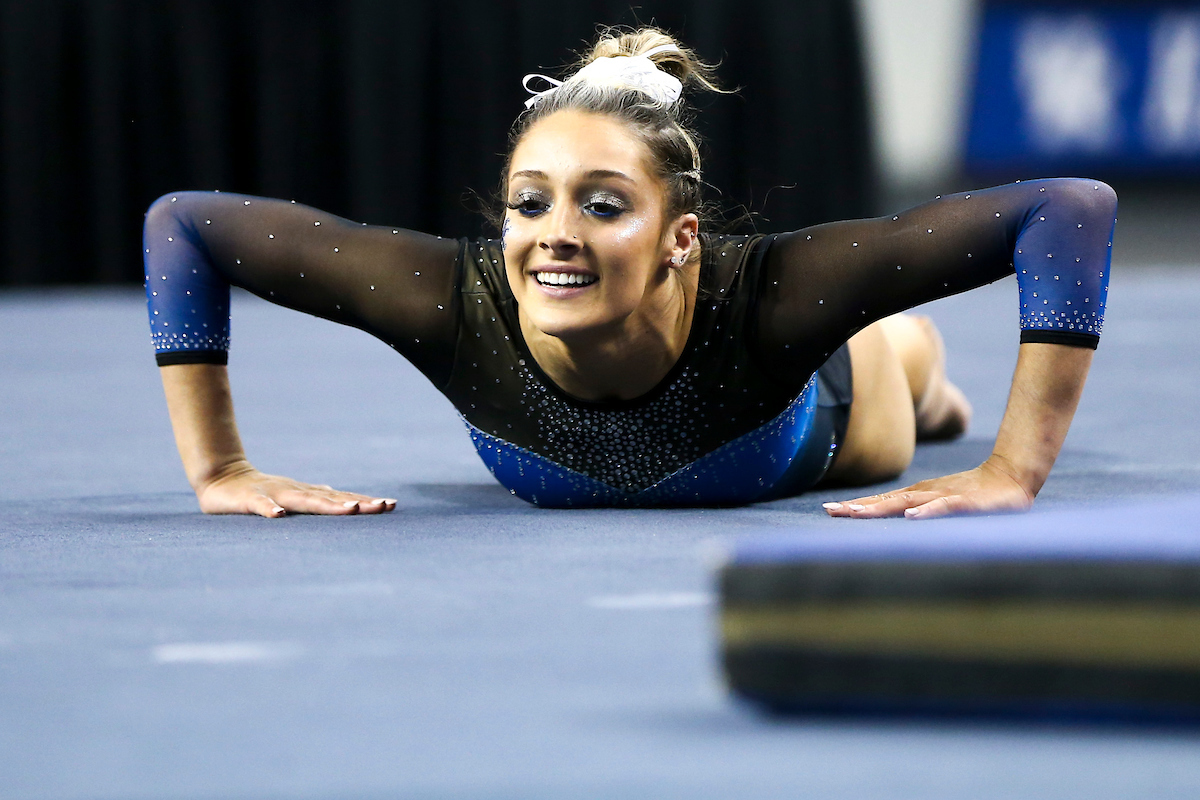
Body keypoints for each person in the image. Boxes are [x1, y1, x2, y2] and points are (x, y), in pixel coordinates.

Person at [143, 27, 1116, 519]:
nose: (555, 236)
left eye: (604, 206)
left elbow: (1070, 209)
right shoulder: (455, 303)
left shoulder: (769, 294)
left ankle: (920, 365)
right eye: (530, 203)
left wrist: (1012, 470)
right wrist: (220, 469)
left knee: (900, 365)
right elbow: (183, 224)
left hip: (833, 405)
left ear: (681, 237)